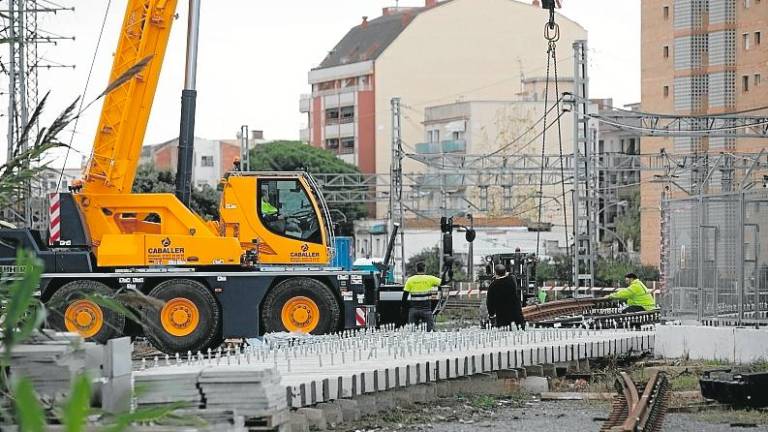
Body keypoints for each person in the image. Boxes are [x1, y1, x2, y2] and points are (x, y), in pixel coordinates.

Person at [401, 262, 442, 331]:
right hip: (426, 310)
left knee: (412, 333)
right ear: (425, 269)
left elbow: (404, 297)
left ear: (416, 269)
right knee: (430, 331)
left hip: (414, 310)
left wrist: (404, 310)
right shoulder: (430, 278)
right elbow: (443, 282)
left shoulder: (410, 280)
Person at [486, 264, 526, 329]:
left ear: (495, 273)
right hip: (516, 318)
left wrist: (491, 315)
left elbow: (490, 302)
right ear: (505, 272)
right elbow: (511, 276)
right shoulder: (511, 282)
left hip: (502, 318)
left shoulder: (492, 286)